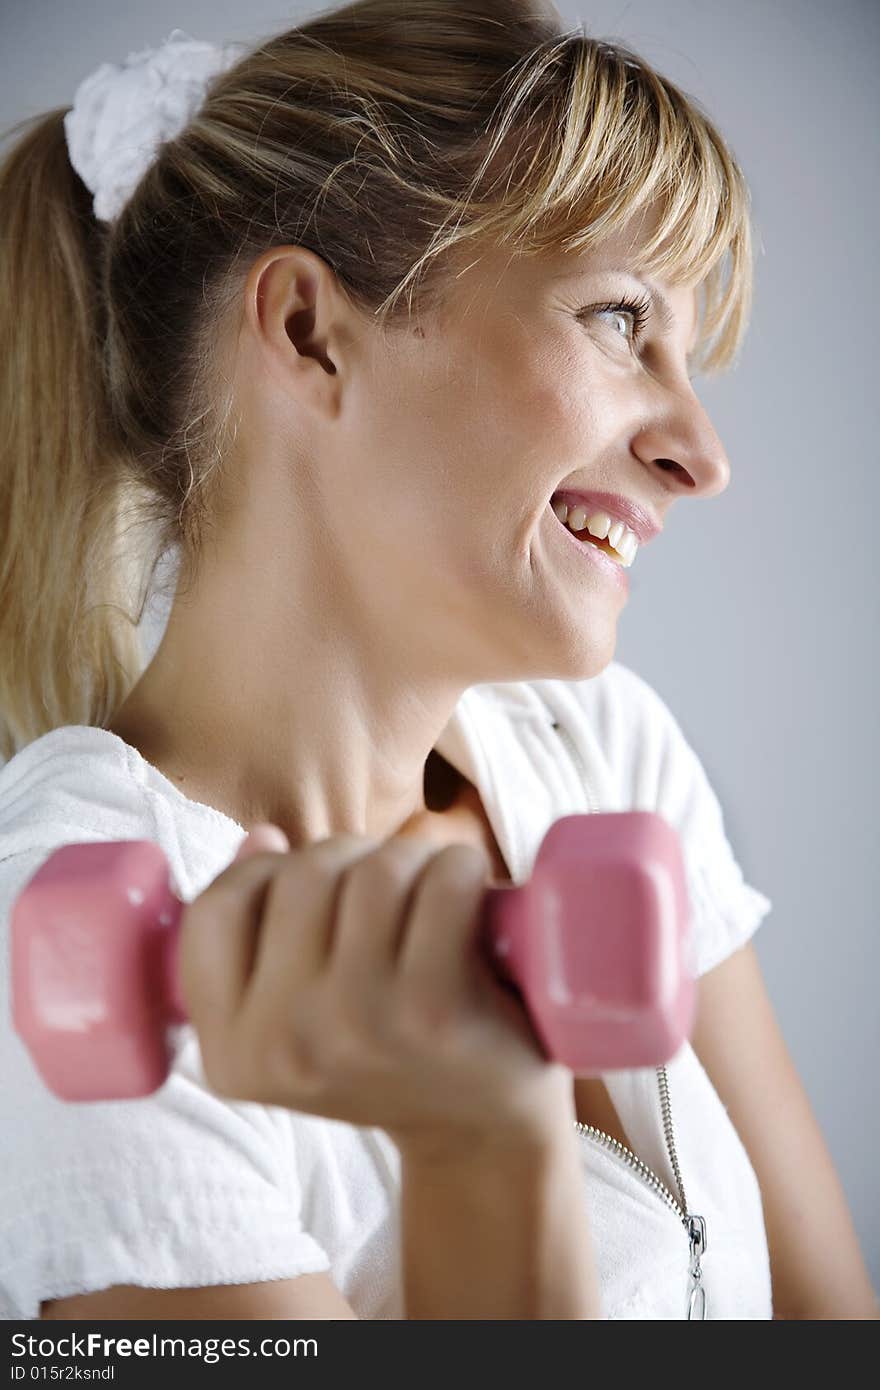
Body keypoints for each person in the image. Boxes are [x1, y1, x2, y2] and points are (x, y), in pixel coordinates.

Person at [0, 1, 876, 1321]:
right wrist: (482, 1149)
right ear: (307, 332)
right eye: (618, 318)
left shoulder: (603, 750)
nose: (703, 452)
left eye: (687, 354)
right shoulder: (57, 949)